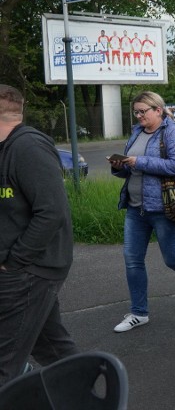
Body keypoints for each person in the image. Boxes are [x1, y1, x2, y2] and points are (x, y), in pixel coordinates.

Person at [110, 91, 175, 333]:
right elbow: (131, 168)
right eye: (135, 112)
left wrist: (138, 162)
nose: (138, 116)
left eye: (142, 111)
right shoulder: (137, 132)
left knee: (173, 258)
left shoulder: (172, 132)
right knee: (132, 259)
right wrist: (120, 166)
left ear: (158, 110)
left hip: (164, 207)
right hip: (136, 207)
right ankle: (139, 312)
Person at [0, 85, 79, 386]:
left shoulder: (28, 148)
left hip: (28, 271)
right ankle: (89, 397)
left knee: (4, 364)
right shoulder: (5, 148)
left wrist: (15, 262)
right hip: (22, 270)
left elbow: (52, 212)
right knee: (50, 345)